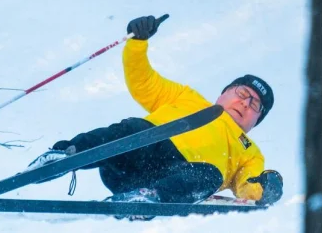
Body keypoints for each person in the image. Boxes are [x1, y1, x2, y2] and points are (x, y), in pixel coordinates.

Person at [24, 15, 283, 221]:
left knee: (210, 175)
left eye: (255, 106)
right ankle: (65, 155)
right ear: (223, 93)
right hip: (135, 153)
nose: (245, 103)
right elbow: (143, 82)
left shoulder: (249, 151)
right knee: (132, 129)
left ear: (255, 121)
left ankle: (148, 199)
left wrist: (265, 186)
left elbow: (249, 188)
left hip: (172, 180)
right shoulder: (187, 98)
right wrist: (137, 43)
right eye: (242, 93)